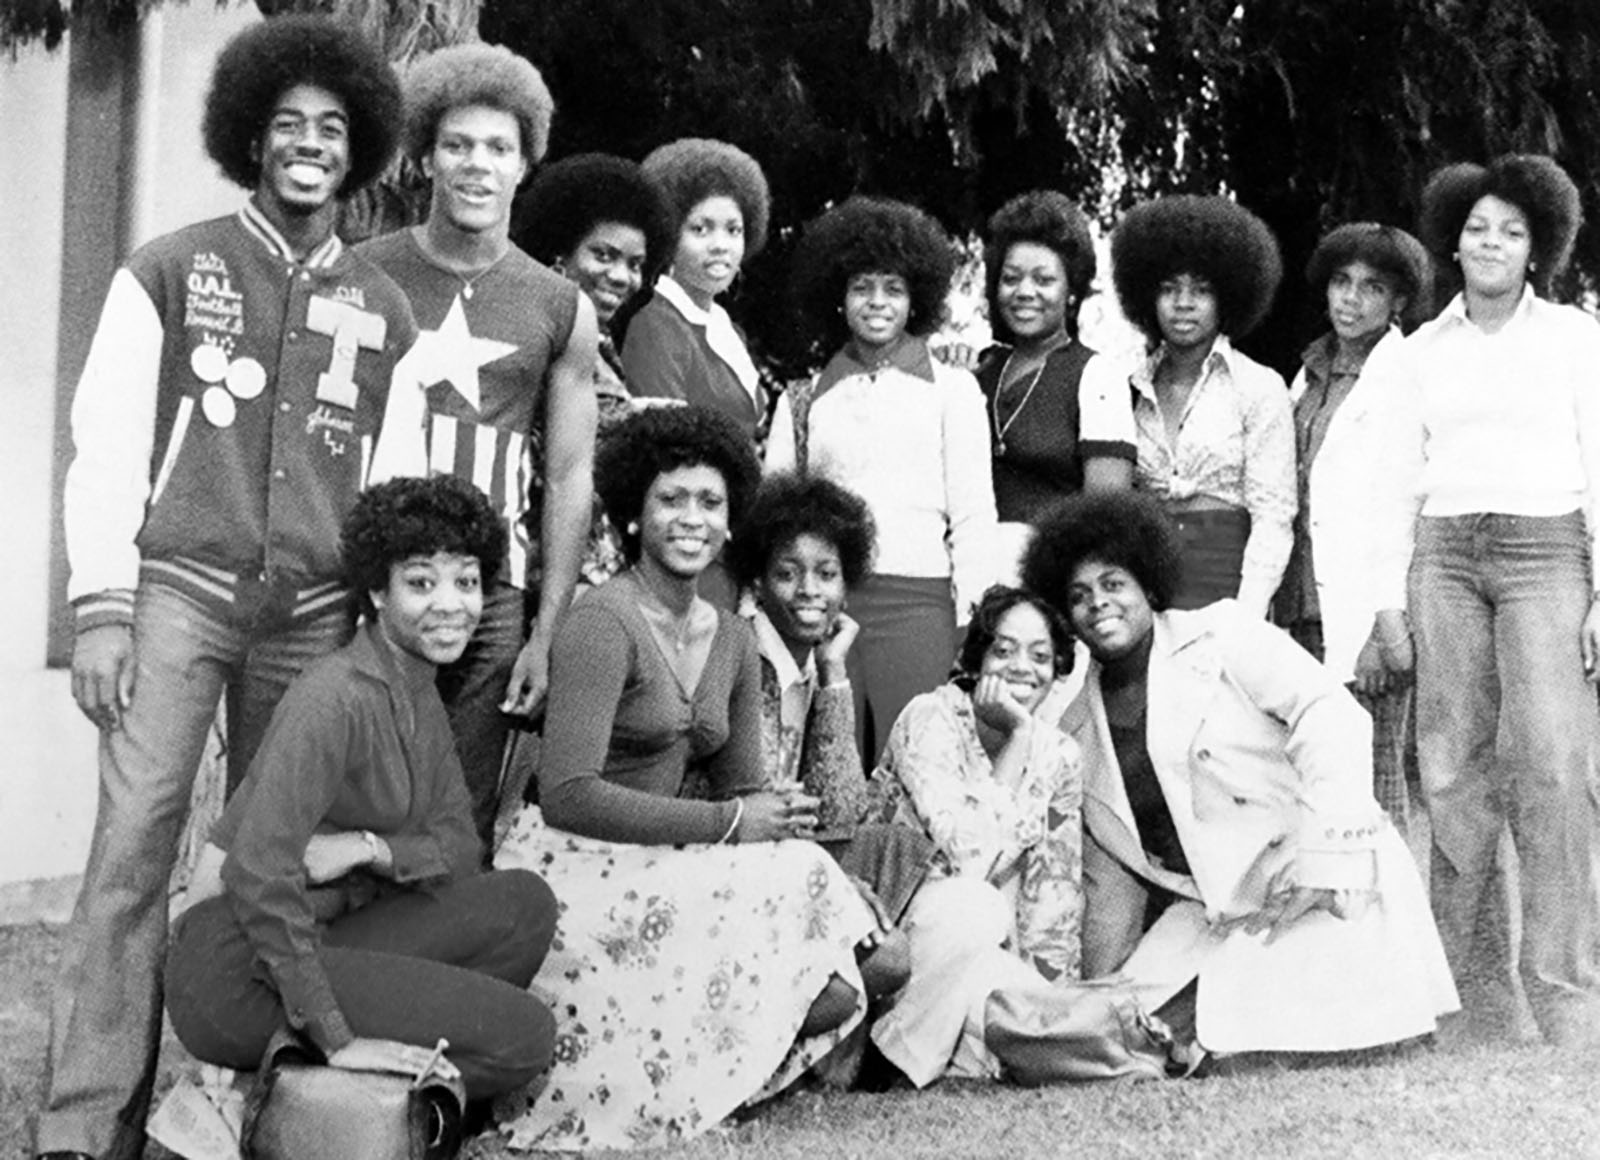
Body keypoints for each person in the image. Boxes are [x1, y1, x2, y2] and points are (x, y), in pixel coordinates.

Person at [41, 19, 414, 1160]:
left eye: (333, 129)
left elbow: (393, 483)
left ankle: (238, 1110)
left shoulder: (384, 308)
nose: (309, 144)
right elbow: (105, 445)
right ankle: (84, 1123)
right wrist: (100, 606)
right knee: (131, 852)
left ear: (357, 152)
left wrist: (376, 629)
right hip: (178, 594)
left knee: (278, 861)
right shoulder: (171, 266)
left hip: (315, 611)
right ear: (251, 137)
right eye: (288, 124)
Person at [493, 406, 878, 1151]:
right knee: (801, 891)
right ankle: (672, 1079)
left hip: (665, 861)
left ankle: (705, 1072)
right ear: (634, 515)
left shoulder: (731, 637)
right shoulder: (601, 621)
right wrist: (732, 824)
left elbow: (743, 791)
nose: (692, 519)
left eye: (710, 502)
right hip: (572, 864)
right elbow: (568, 794)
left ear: (731, 523)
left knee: (837, 967)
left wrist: (770, 816)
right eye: (671, 500)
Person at [165, 475, 558, 1106]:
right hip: (238, 970)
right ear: (377, 591)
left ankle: (337, 1091)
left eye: (466, 582)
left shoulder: (418, 692)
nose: (451, 604)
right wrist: (337, 1034)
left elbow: (460, 850)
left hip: (327, 937)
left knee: (524, 904)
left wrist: (369, 848)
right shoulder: (334, 697)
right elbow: (259, 874)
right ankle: (317, 1088)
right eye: (421, 583)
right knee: (526, 1036)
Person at [1024, 491, 1457, 1061]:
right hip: (1213, 912)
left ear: (1147, 584)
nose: (1098, 603)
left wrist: (1324, 861)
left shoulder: (1223, 634)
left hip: (1315, 877)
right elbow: (1111, 883)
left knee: (1245, 1032)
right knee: (1114, 1023)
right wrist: (1092, 980)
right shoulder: (1075, 727)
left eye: (1113, 584)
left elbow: (1330, 715)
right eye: (1078, 596)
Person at [1366, 154, 1600, 1046]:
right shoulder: (1419, 353)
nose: (1492, 243)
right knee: (1452, 773)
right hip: (1446, 559)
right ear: (1452, 243)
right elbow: (1393, 483)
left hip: (1548, 554)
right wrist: (1387, 601)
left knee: (1553, 769)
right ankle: (1473, 1001)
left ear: (1539, 246)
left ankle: (1565, 995)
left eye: (1511, 230)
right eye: (1476, 229)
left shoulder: (1575, 338)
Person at [360, 42, 600, 850]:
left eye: (498, 148)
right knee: (356, 795)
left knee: (460, 818)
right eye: (457, 144)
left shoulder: (560, 304)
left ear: (524, 165)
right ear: (426, 155)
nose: (476, 165)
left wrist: (546, 630)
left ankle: (445, 936)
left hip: (492, 592)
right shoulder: (364, 275)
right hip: (373, 580)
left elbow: (569, 475)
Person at [769, 195, 997, 765]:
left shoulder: (954, 389)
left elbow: (973, 512)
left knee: (921, 764)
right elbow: (774, 520)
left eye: (893, 289)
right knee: (828, 764)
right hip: (824, 603)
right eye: (861, 287)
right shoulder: (802, 399)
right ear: (838, 297)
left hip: (921, 604)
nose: (877, 302)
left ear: (916, 298)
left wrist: (973, 618)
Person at [866, 586, 1083, 1087]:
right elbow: (971, 860)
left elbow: (1054, 894)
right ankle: (888, 1057)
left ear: (1057, 669)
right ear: (977, 658)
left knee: (1038, 1021)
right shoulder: (929, 718)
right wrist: (1018, 740)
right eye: (1004, 651)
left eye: (1040, 656)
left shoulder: (1059, 755)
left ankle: (947, 1048)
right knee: (976, 908)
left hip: (981, 948)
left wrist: (1052, 999)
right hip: (895, 939)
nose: (1022, 668)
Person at [1272, 223, 1430, 830]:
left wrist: (1380, 632)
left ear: (1398, 301)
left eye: (1372, 287)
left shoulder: (1404, 375)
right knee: (1318, 784)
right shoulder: (1309, 374)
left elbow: (1405, 509)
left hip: (1363, 620)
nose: (1352, 298)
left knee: (1376, 786)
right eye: (1342, 281)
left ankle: (1393, 897)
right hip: (1300, 609)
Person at [1109, 195, 1295, 617]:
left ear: (1228, 296)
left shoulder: (1259, 387)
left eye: (1201, 290)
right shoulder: (1128, 390)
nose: (1183, 303)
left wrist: (1247, 616)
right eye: (1169, 289)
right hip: (1147, 589)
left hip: (1228, 585)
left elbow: (1273, 516)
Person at [516, 152, 677, 587]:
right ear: (559, 255)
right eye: (604, 255)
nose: (621, 276)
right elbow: (608, 425)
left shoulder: (601, 343)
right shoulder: (540, 332)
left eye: (635, 264)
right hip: (541, 569)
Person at [977, 190, 1135, 576]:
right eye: (1010, 279)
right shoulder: (981, 372)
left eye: (1044, 280)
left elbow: (1105, 518)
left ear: (1071, 292)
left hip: (1050, 578)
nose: (1024, 292)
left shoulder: (1096, 375)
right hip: (972, 573)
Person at [620, 137, 770, 439]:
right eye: (701, 229)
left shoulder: (726, 329)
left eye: (733, 230)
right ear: (668, 235)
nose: (720, 245)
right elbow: (663, 445)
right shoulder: (657, 326)